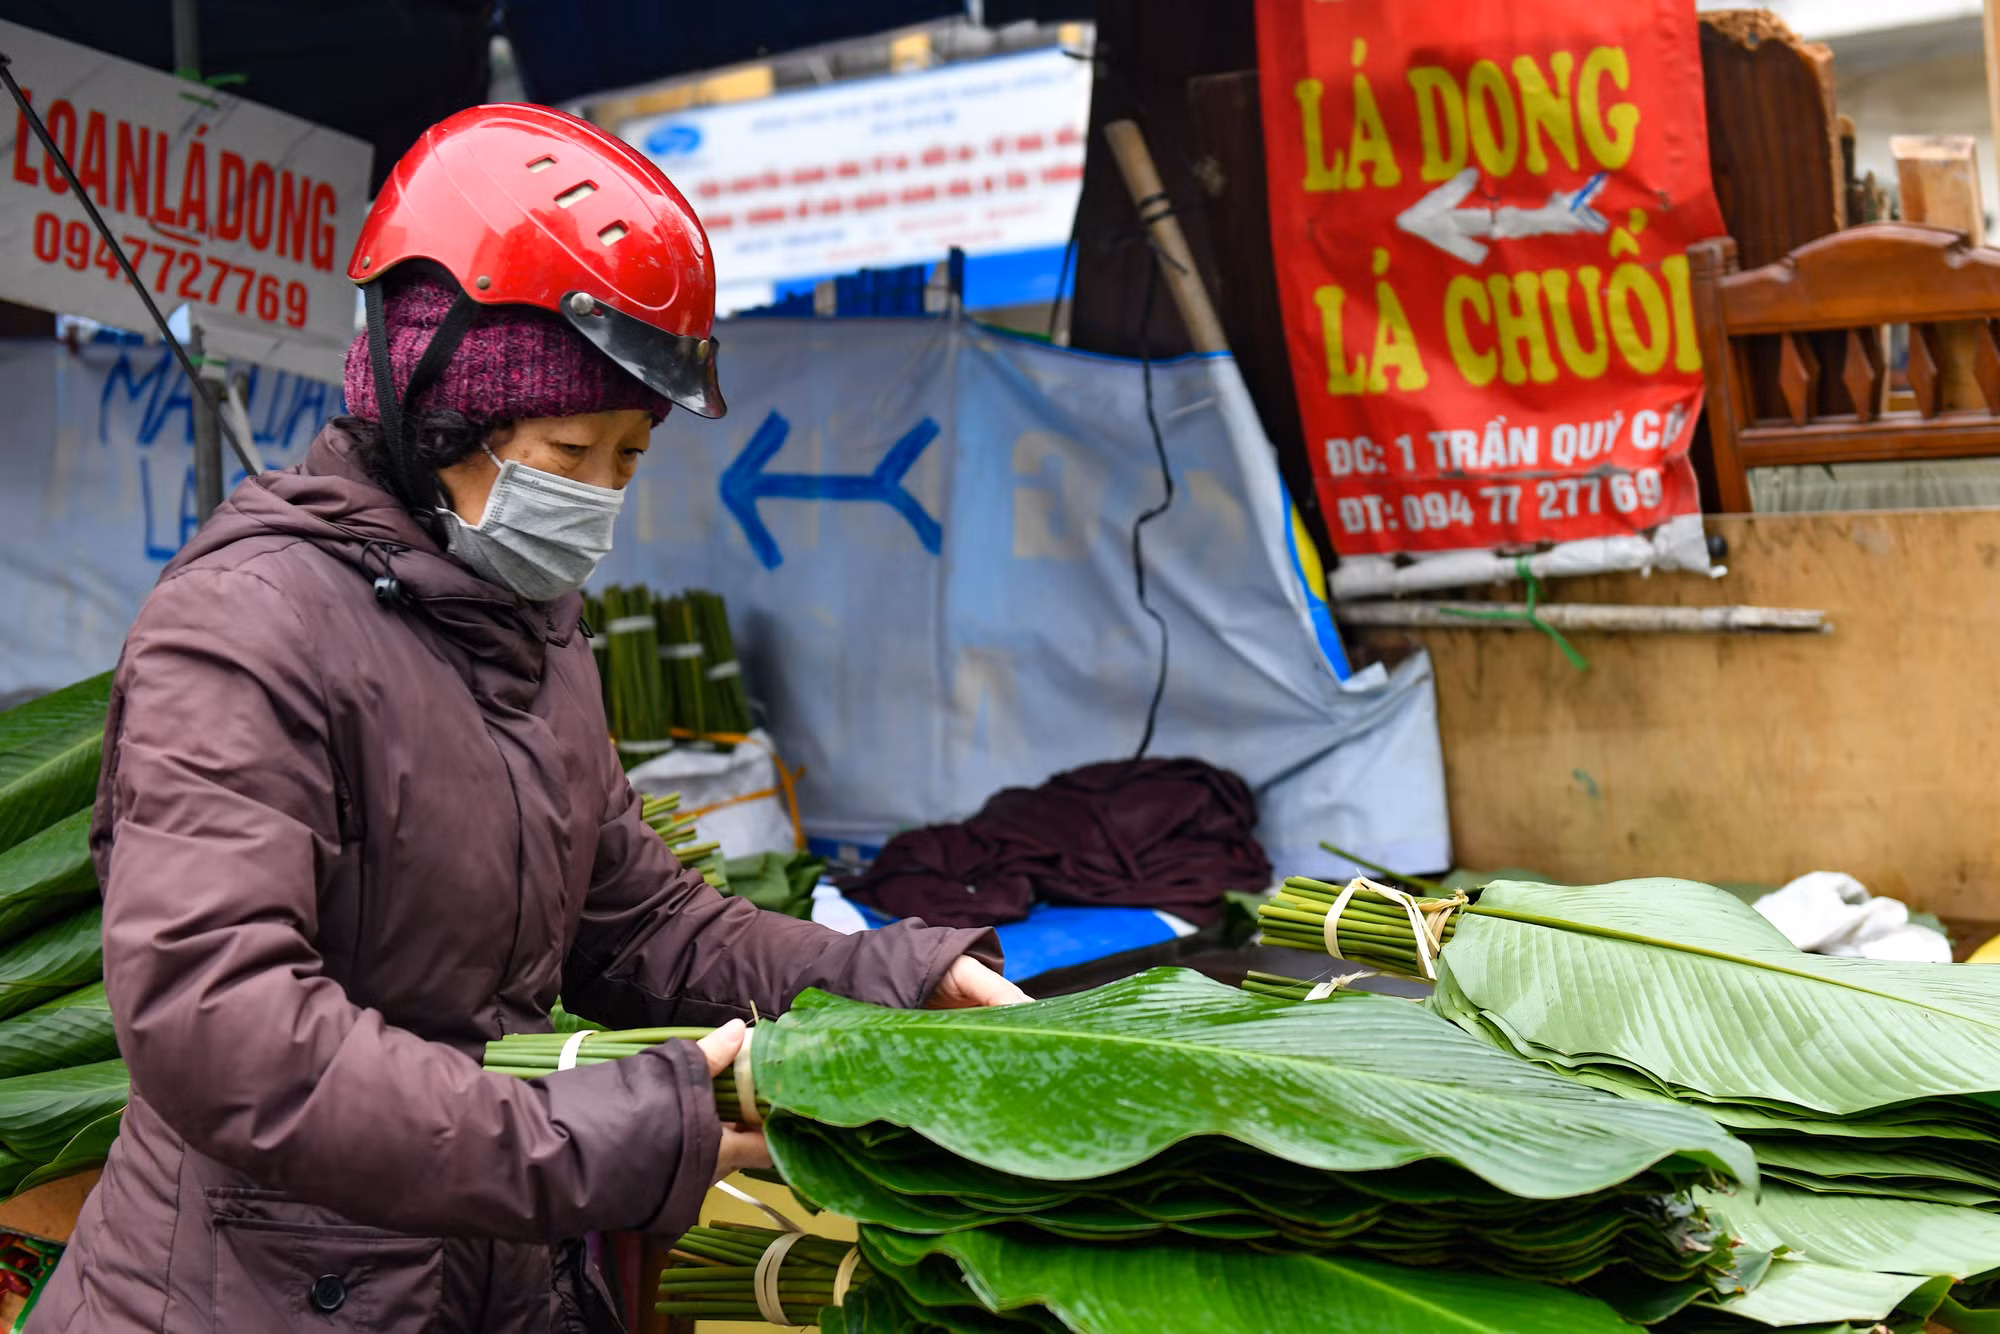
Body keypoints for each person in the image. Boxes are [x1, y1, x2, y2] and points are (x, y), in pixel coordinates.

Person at [35, 104, 1025, 1333]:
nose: (598, 496)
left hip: (491, 1274)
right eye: (572, 446)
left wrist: (897, 974)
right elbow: (222, 1027)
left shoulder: (533, 623)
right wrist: (593, 1132)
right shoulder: (243, 629)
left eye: (626, 457)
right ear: (437, 413)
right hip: (272, 1290)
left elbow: (640, 920)